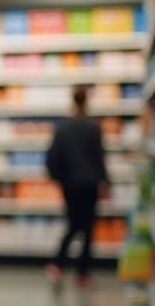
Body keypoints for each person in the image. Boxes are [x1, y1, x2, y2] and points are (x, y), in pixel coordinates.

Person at [45, 87, 110, 288]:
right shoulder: (94, 128)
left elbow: (51, 158)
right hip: (89, 184)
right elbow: (100, 158)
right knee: (88, 228)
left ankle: (57, 265)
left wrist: (58, 178)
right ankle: (83, 274)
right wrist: (105, 181)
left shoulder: (63, 128)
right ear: (86, 102)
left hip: (70, 184)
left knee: (72, 225)